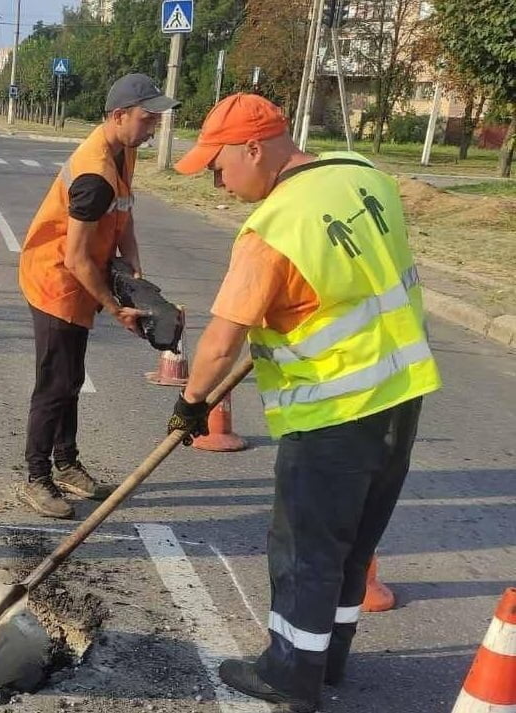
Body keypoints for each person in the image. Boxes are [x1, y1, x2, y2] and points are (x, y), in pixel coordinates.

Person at [167, 93, 441, 712]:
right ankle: (328, 658)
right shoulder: (362, 173)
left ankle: (291, 674)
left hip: (334, 413)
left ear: (253, 149)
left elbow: (220, 342)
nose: (216, 181)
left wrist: (191, 402)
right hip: (402, 395)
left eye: (218, 165)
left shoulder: (274, 230)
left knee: (304, 551)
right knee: (352, 546)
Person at [16, 73, 178, 519]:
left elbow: (125, 215)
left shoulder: (124, 150)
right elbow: (75, 257)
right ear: (119, 115)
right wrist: (115, 307)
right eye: (148, 118)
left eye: (156, 119)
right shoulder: (94, 176)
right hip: (57, 281)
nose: (153, 128)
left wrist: (134, 267)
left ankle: (66, 464)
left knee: (71, 377)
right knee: (55, 384)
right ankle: (36, 477)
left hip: (81, 277)